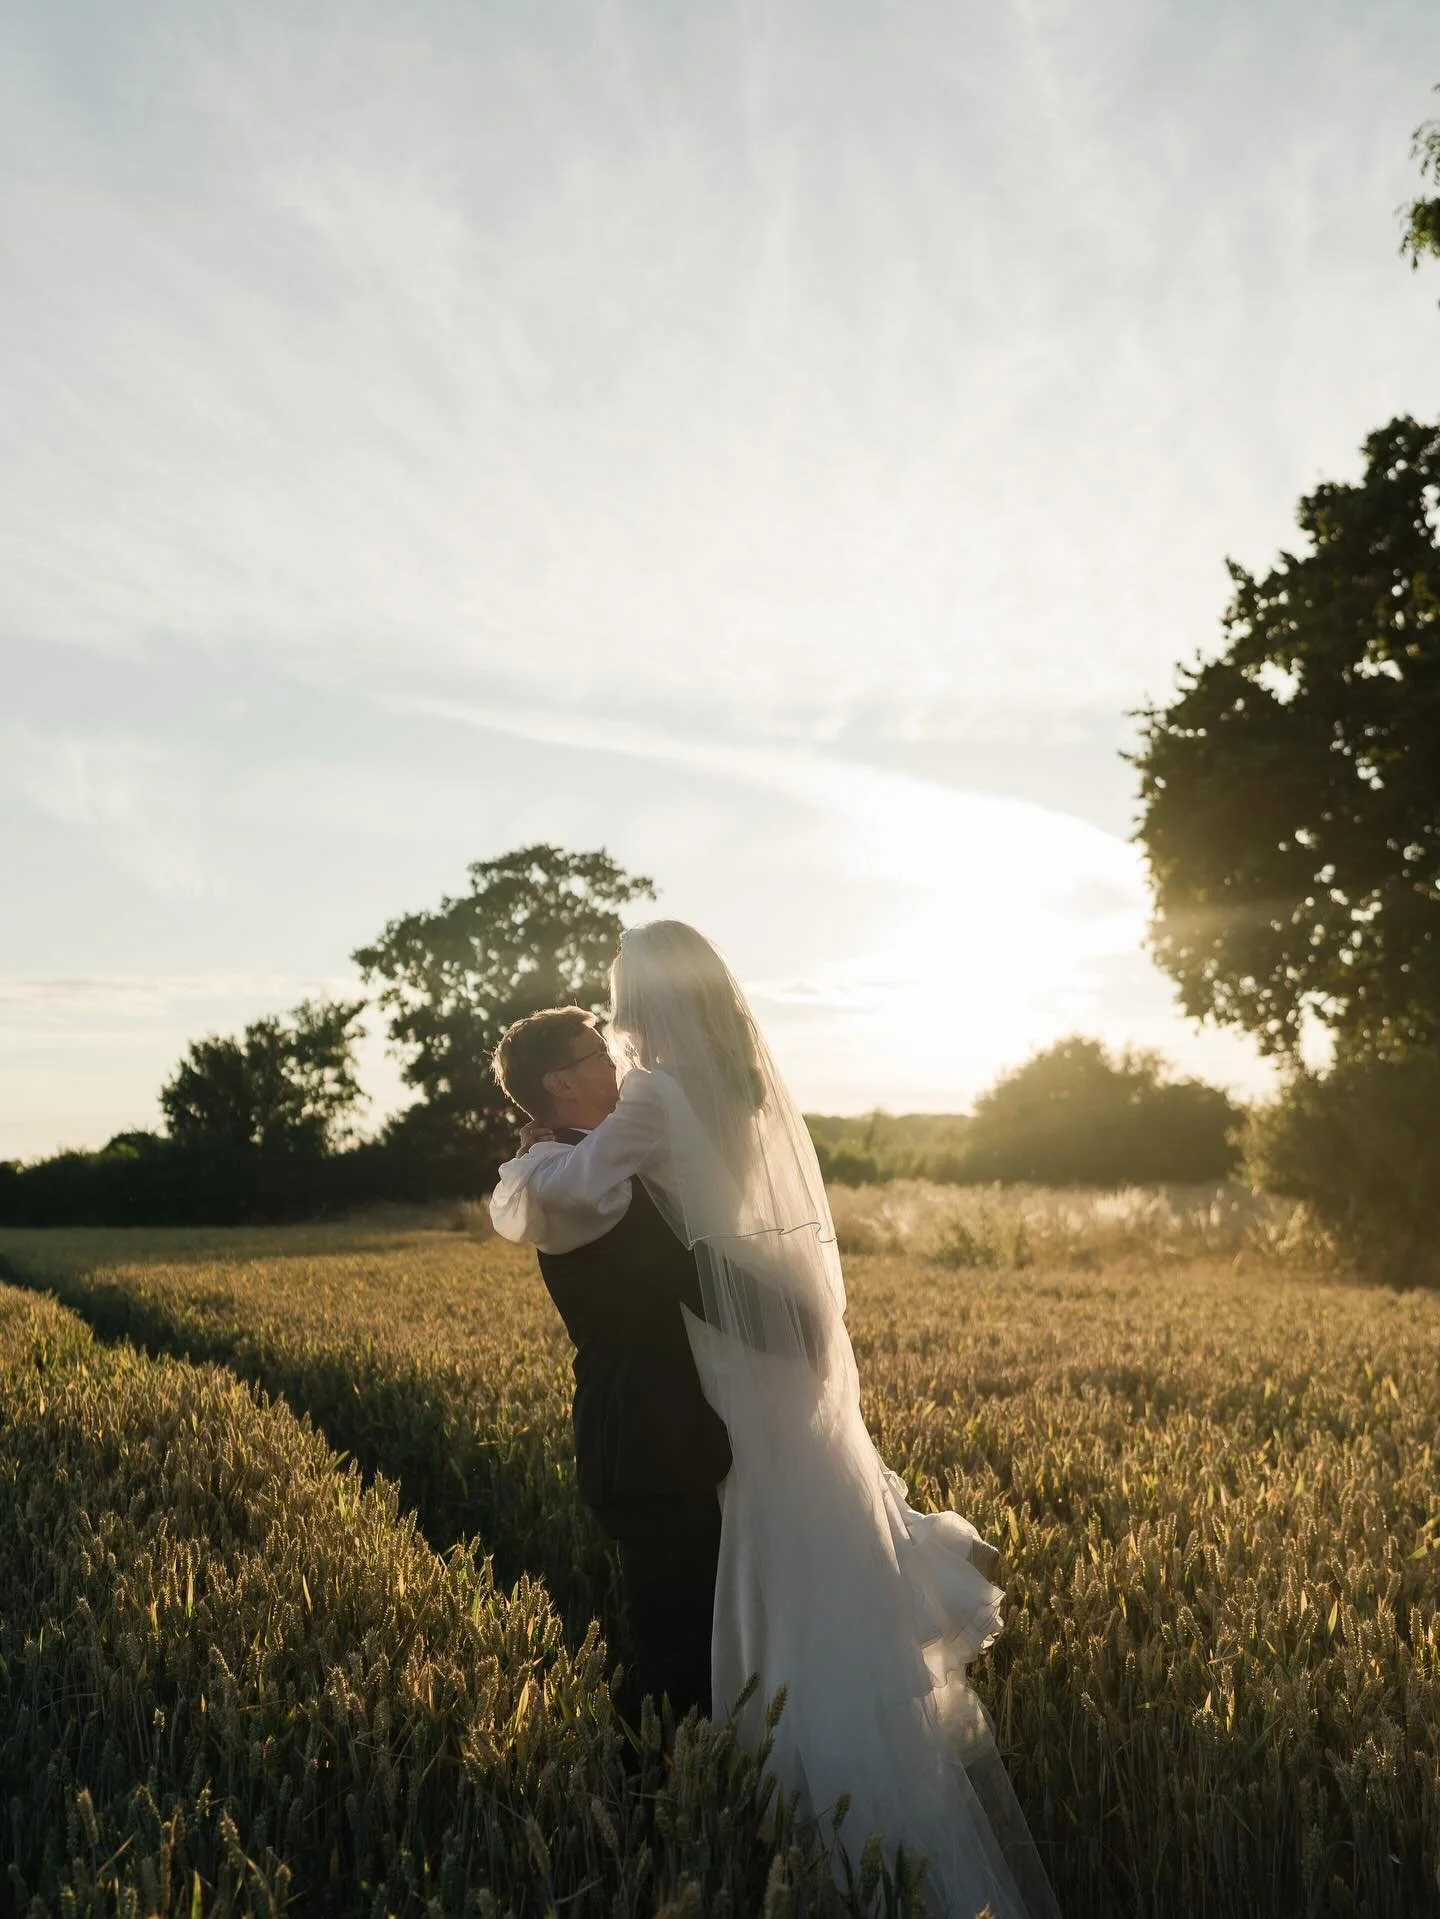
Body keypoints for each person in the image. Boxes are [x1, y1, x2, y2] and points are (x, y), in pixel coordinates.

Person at [491, 923, 1062, 1919]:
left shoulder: (659, 1096)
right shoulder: (727, 1092)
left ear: (652, 1007)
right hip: (755, 1381)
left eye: (616, 1014)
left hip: (722, 1389)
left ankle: (756, 1825)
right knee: (787, 1589)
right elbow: (597, 1203)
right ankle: (797, 1812)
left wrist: (544, 1153)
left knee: (748, 1602)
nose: (613, 1035)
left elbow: (597, 1199)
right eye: (592, 1041)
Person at [489, 1005, 732, 1727]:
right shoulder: (555, 1178)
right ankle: (653, 1805)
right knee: (674, 1655)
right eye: (599, 1051)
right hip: (644, 1439)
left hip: (680, 1431)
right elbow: (692, 1278)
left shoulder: (592, 1162)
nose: (617, 1059)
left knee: (701, 1638)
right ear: (561, 1082)